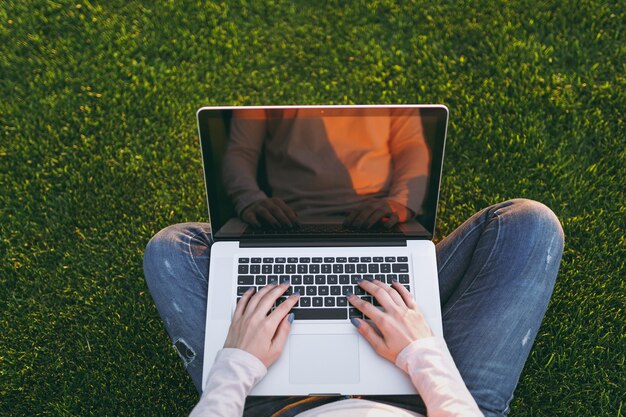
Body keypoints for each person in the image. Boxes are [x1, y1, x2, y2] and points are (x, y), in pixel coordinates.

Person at [143, 198, 564, 417]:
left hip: (268, 406)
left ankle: (303, 238)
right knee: (528, 225)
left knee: (170, 251)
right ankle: (391, 265)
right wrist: (421, 352)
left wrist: (237, 365)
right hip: (434, 402)